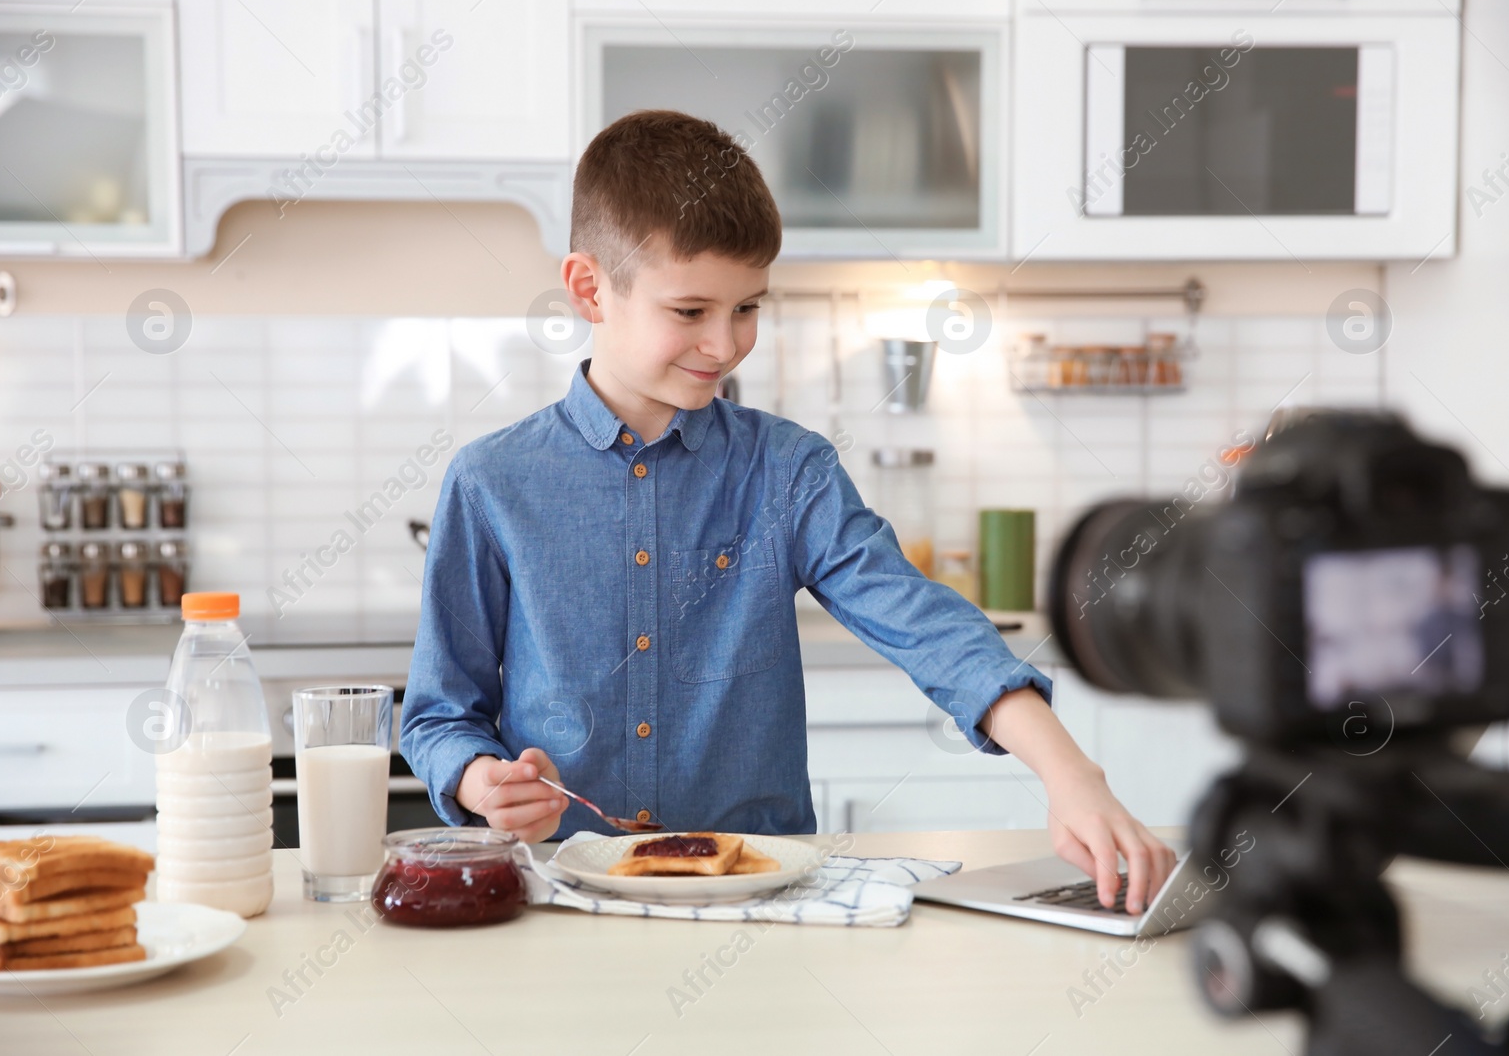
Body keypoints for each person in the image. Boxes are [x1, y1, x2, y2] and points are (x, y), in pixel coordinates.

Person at [401, 109, 1176, 913]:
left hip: (761, 907)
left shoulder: (789, 471)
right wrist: (478, 778)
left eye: (749, 308)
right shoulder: (491, 482)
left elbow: (922, 620)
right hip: (563, 899)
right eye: (691, 310)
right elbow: (438, 714)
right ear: (590, 288)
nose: (727, 343)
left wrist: (1069, 773)